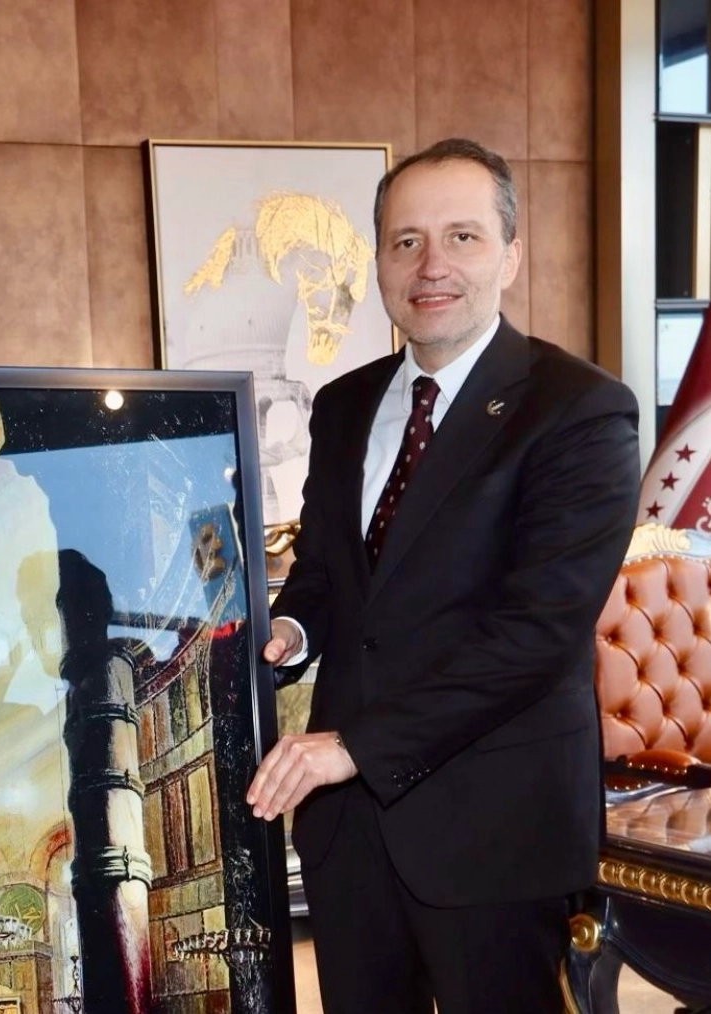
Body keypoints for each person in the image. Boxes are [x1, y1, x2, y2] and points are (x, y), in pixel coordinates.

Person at [245, 138, 640, 1014]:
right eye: (406, 241)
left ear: (510, 255)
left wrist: (353, 747)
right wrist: (291, 631)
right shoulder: (342, 405)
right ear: (379, 262)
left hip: (496, 833)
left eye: (462, 237)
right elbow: (326, 573)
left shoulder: (579, 409)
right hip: (351, 836)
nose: (431, 266)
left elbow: (537, 634)